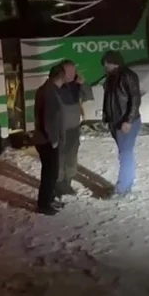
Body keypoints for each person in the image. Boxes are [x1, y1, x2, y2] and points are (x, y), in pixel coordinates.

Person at [100, 50, 141, 196]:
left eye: (107, 62)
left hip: (126, 122)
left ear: (114, 62)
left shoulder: (127, 76)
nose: (105, 65)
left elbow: (135, 99)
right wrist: (107, 117)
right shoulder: (111, 78)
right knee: (124, 153)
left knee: (125, 153)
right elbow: (109, 99)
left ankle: (122, 187)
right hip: (115, 122)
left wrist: (128, 120)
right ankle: (127, 183)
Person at [31, 63, 68, 214]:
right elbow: (48, 118)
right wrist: (53, 139)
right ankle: (44, 204)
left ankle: (49, 199)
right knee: (49, 173)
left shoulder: (48, 89)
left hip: (45, 138)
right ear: (61, 76)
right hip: (47, 140)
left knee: (51, 172)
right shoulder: (49, 92)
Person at [55, 59, 93, 197]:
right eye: (68, 71)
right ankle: (58, 186)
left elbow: (88, 96)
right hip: (60, 130)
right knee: (59, 158)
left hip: (74, 128)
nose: (71, 73)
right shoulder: (57, 86)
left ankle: (68, 183)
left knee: (71, 157)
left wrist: (83, 84)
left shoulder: (76, 85)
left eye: (73, 70)